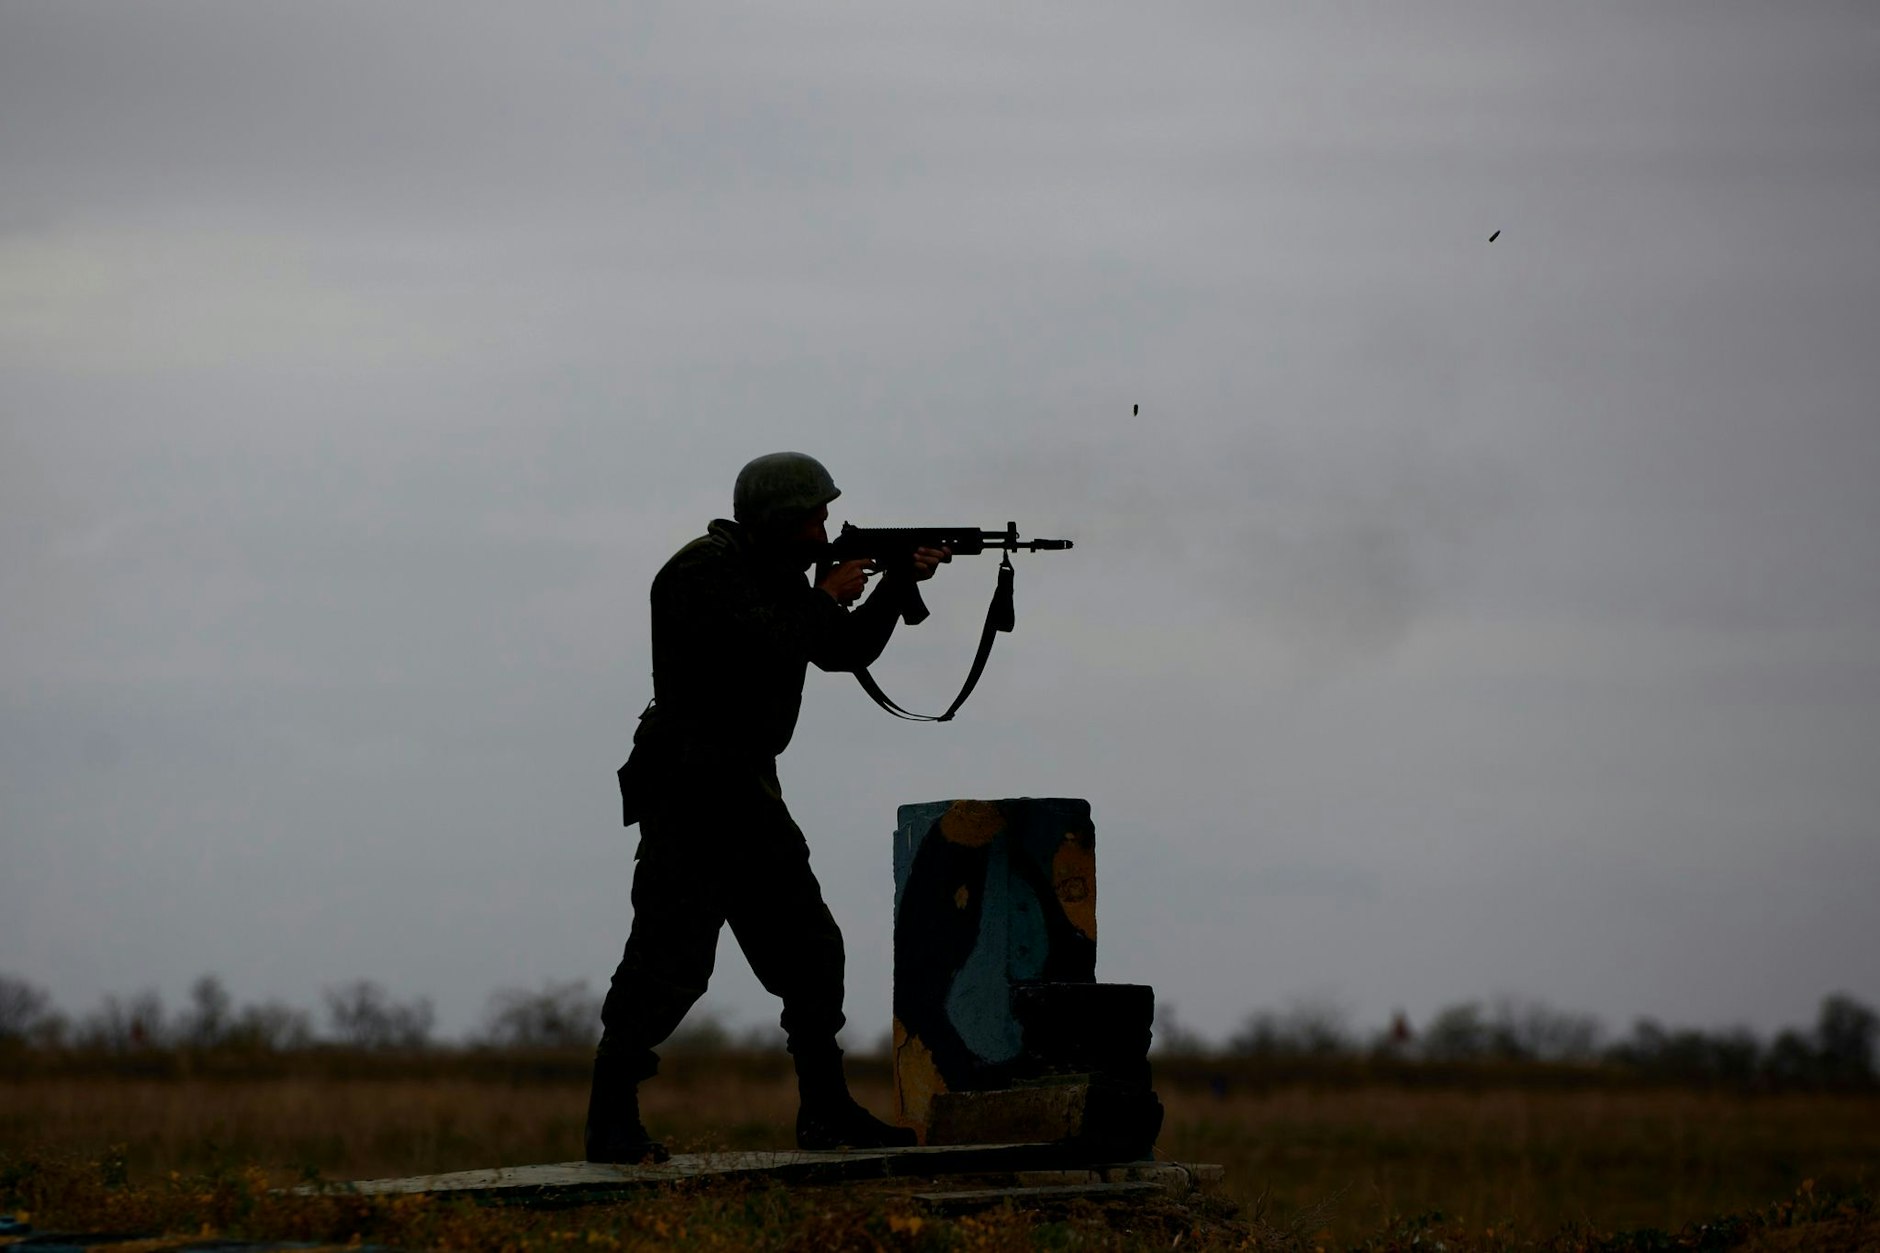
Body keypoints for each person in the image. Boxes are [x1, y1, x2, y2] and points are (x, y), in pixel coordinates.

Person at [585, 452, 949, 1163]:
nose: (824, 527)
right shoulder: (701, 573)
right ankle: (608, 1117)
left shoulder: (780, 575)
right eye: (814, 516)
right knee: (669, 961)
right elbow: (760, 642)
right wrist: (827, 594)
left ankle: (825, 1111)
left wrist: (894, 583)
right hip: (689, 791)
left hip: (746, 791)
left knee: (812, 950)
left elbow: (839, 651)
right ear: (781, 520)